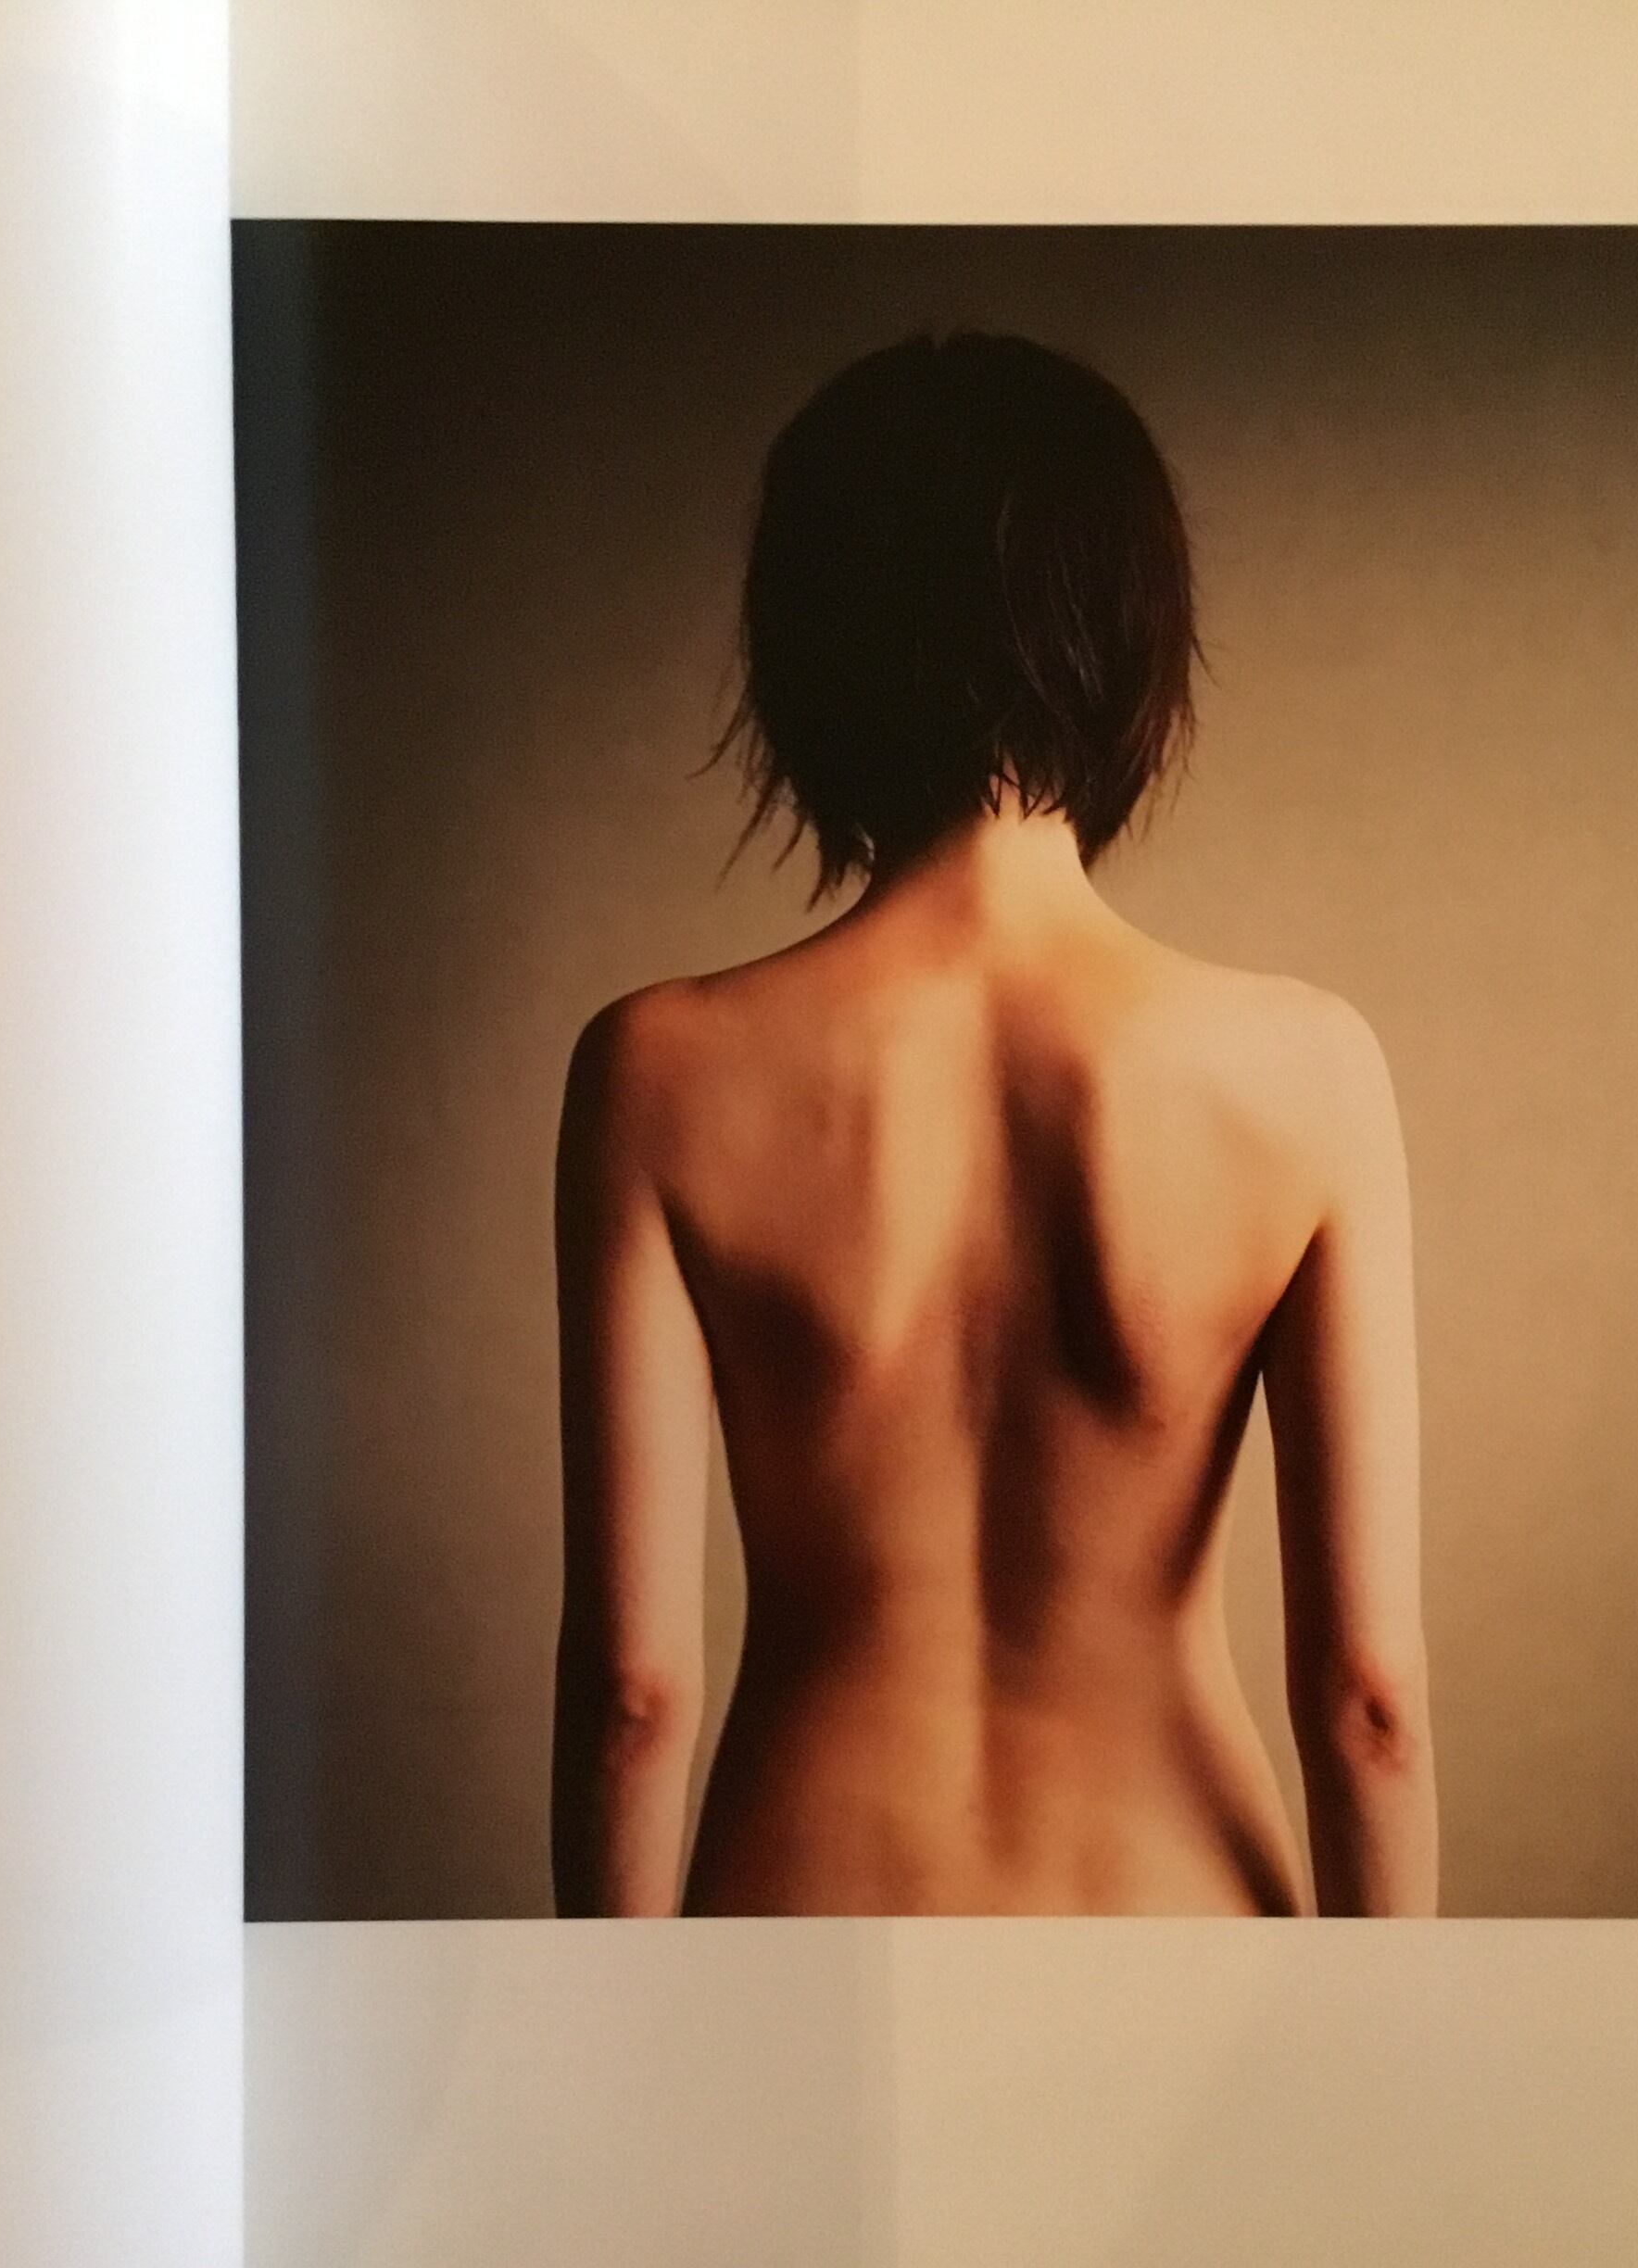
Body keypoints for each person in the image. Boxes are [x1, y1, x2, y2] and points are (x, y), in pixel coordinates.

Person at [550, 332, 1436, 1919]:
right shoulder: (1309, 1074)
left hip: (805, 1927)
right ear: (1131, 643)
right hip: (1179, 1924)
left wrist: (615, 2033)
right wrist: (1395, 2040)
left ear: (809, 647)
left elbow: (635, 1696)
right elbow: (1369, 1703)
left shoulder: (660, 1072)